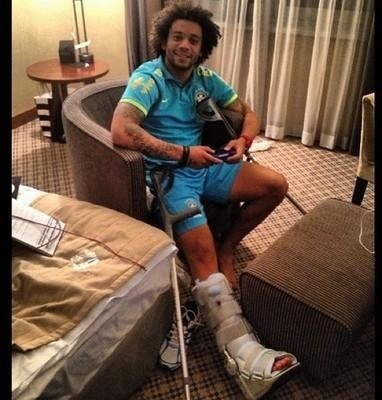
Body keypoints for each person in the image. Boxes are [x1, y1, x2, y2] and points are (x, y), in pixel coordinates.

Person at [111, 1, 299, 398]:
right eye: (177, 37)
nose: (185, 45)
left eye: (193, 40)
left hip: (207, 165)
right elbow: (122, 130)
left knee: (275, 184)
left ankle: (229, 246)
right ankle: (243, 357)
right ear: (164, 41)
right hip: (170, 175)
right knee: (204, 264)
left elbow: (249, 112)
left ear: (202, 47)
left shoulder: (205, 78)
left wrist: (243, 140)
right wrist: (182, 154)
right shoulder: (149, 78)